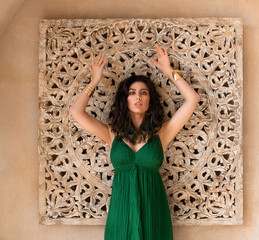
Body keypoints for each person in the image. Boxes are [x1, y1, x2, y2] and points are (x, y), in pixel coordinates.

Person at [69, 43, 200, 240]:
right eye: (132, 93)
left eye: (143, 93)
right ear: (125, 100)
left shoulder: (162, 132)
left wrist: (169, 71)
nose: (138, 96)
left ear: (150, 100)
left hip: (153, 212)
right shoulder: (112, 133)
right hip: (121, 213)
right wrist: (94, 81)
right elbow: (76, 112)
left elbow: (192, 99)